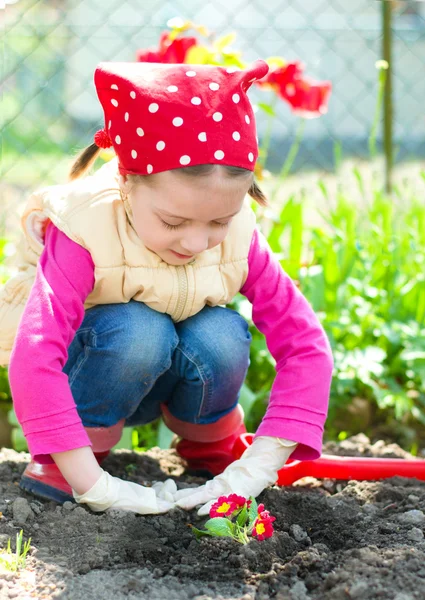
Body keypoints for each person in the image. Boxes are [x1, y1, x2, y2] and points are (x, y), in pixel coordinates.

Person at [2, 59, 333, 515]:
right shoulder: (83, 228)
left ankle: (209, 447)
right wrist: (93, 483)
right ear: (125, 184)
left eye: (219, 220)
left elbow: (306, 345)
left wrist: (260, 465)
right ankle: (70, 459)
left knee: (221, 332)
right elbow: (35, 353)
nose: (197, 242)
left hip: (173, 371)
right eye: (173, 221)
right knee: (138, 330)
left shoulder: (240, 236)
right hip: (95, 374)